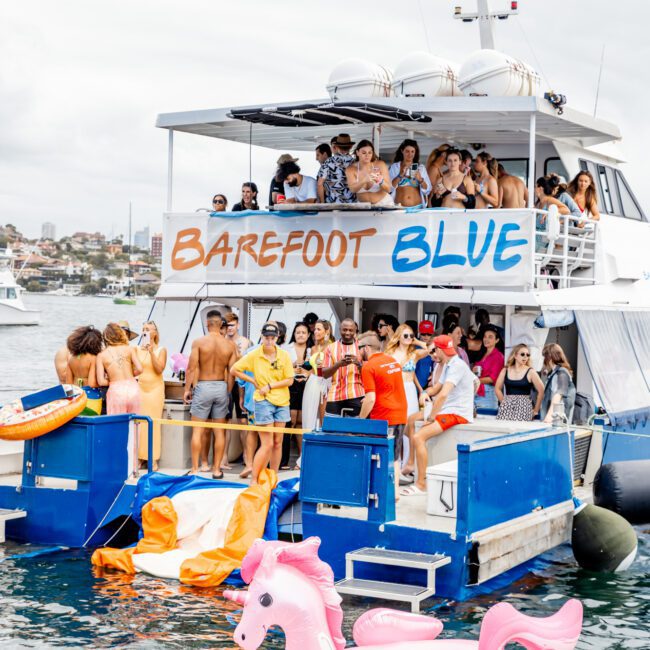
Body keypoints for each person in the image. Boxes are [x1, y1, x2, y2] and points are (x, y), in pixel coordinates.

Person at [402, 335, 479, 496]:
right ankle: (412, 466)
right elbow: (436, 389)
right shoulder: (450, 363)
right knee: (410, 423)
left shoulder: (456, 365)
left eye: (435, 350)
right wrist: (424, 393)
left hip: (457, 413)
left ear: (439, 349)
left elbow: (443, 395)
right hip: (448, 410)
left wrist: (431, 419)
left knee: (418, 437)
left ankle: (421, 483)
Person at [231, 323, 294, 484]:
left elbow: (290, 380)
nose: (269, 340)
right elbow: (234, 370)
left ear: (277, 337)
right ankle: (254, 478)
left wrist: (270, 386)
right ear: (262, 336)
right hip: (263, 401)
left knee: (277, 442)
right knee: (266, 443)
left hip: (282, 401)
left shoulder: (284, 355)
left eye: (272, 338)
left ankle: (273, 477)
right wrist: (252, 380)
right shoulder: (253, 354)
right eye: (266, 337)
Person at [183, 310, 237, 478]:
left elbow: (191, 368)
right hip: (221, 386)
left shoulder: (199, 342)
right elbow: (232, 372)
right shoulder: (230, 345)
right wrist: (227, 391)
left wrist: (187, 389)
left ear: (207, 324)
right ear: (221, 325)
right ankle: (216, 470)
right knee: (219, 431)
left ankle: (194, 469)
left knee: (198, 430)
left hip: (203, 386)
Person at [359, 331, 408, 498]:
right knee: (394, 455)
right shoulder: (392, 361)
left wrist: (361, 418)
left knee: (381, 455)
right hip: (400, 413)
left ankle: (383, 492)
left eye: (359, 349)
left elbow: (370, 398)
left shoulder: (368, 367)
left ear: (365, 348)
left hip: (384, 417)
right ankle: (395, 493)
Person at [136, 321, 167, 470]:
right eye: (143, 329)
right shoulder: (136, 349)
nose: (145, 332)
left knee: (154, 423)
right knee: (140, 423)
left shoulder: (161, 350)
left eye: (148, 329)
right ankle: (140, 457)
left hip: (155, 390)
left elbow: (159, 369)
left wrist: (151, 352)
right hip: (141, 388)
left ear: (155, 333)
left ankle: (152, 458)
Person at [281, 322, 311, 469]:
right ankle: (284, 460)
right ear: (294, 334)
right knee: (290, 421)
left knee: (301, 422)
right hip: (291, 385)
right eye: (298, 332)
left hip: (306, 385)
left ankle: (302, 458)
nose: (300, 335)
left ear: (308, 335)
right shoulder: (286, 349)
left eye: (303, 332)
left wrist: (306, 372)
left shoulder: (312, 350)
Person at [96, 322, 143, 415]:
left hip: (116, 391)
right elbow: (140, 369)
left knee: (116, 424)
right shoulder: (130, 349)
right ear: (121, 334)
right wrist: (131, 375)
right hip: (133, 388)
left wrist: (112, 380)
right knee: (134, 423)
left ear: (105, 338)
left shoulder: (101, 356)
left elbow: (101, 382)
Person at [384, 324, 428, 419]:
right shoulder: (390, 353)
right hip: (394, 389)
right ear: (398, 337)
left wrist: (417, 342)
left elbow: (431, 349)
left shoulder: (414, 354)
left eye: (411, 336)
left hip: (410, 389)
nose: (409, 338)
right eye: (405, 335)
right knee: (394, 418)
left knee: (410, 419)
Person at [322, 318, 365, 416]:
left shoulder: (362, 347)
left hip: (356, 393)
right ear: (340, 329)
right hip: (335, 394)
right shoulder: (330, 348)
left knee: (355, 429)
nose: (347, 333)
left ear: (355, 331)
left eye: (350, 330)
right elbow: (324, 374)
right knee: (332, 428)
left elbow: (370, 374)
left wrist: (358, 364)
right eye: (344, 330)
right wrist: (338, 365)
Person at [495, 344, 545, 421]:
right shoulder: (505, 370)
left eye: (527, 355)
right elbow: (497, 389)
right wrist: (504, 403)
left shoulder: (531, 371)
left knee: (519, 429)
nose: (525, 357)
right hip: (507, 406)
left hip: (524, 406)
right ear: (515, 355)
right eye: (522, 354)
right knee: (503, 428)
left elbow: (541, 390)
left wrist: (535, 410)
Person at [302, 319, 333, 431]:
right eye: (315, 329)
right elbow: (312, 369)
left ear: (327, 331)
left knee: (324, 416)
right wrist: (305, 374)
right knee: (309, 415)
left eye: (318, 329)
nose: (315, 332)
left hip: (326, 381)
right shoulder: (313, 348)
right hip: (313, 381)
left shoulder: (332, 347)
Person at [346, 140, 394, 207]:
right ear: (357, 153)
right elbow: (353, 189)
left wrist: (380, 181)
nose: (367, 155)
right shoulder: (351, 169)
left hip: (384, 203)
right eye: (364, 153)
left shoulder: (380, 165)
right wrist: (364, 180)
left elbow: (388, 189)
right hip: (363, 207)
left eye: (370, 153)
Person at [388, 139, 431, 208]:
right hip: (399, 208)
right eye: (407, 151)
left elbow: (427, 190)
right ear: (402, 151)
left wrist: (420, 180)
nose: (410, 154)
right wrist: (399, 175)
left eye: (412, 151)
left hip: (417, 208)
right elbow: (389, 188)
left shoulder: (420, 168)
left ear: (415, 152)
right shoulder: (395, 167)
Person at [540, 343, 576, 424]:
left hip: (557, 419)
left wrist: (549, 416)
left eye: (544, 357)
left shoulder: (561, 372)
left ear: (549, 358)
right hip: (557, 418)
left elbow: (559, 394)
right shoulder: (557, 372)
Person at [472, 324, 505, 411]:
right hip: (476, 392)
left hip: (488, 394)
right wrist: (473, 371)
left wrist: (475, 380)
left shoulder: (498, 356)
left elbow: (492, 378)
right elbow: (476, 373)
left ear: (497, 340)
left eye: (490, 337)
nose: (486, 339)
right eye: (485, 336)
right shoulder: (482, 353)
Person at [317, 133, 356, 203]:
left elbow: (320, 183)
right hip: (352, 203)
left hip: (333, 203)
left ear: (337, 147)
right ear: (350, 147)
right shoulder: (355, 162)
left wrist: (322, 202)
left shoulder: (328, 162)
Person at [414, 320, 435, 393]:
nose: (426, 336)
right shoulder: (413, 348)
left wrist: (433, 373)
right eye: (423, 334)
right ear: (419, 333)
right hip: (414, 386)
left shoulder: (434, 348)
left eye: (429, 334)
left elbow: (435, 365)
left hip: (428, 385)